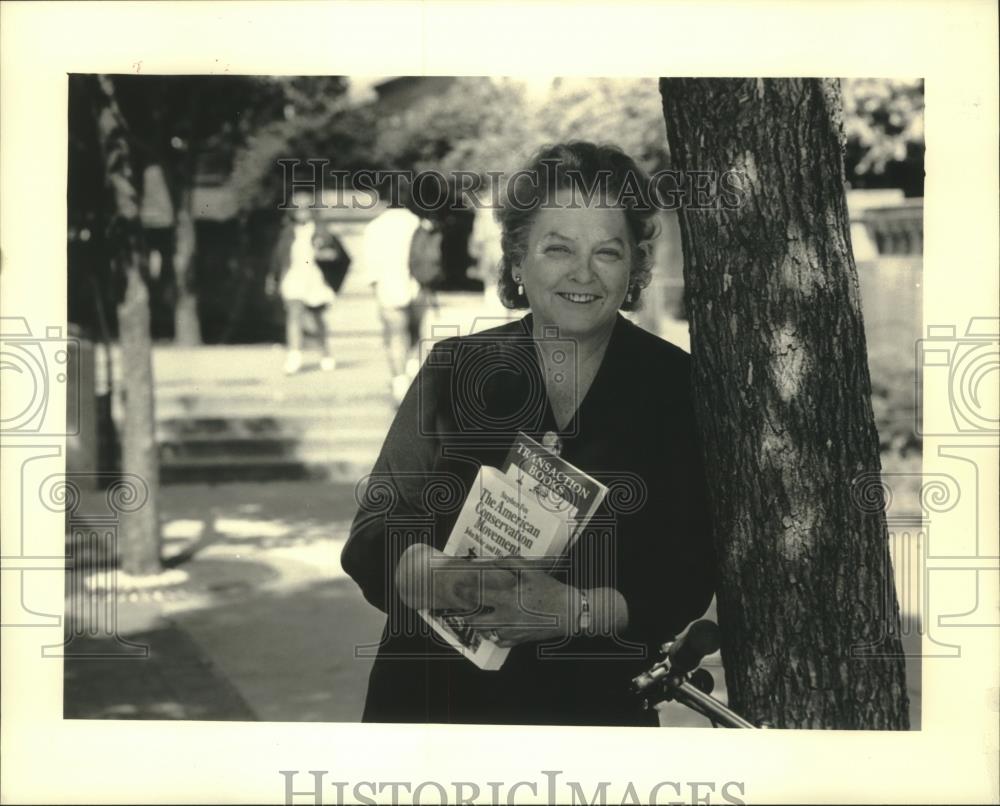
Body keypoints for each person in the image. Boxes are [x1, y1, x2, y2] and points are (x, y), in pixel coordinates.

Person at [341, 142, 717, 726]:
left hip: (589, 712)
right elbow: (373, 535)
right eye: (557, 248)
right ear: (517, 260)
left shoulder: (678, 387)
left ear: (636, 268)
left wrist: (570, 611)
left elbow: (687, 573)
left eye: (608, 253)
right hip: (431, 706)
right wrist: (451, 579)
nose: (582, 274)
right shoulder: (455, 369)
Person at [360, 186, 426, 403]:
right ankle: (413, 371)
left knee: (396, 336)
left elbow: (370, 266)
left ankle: (399, 383)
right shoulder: (418, 222)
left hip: (388, 288)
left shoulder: (374, 227)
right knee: (416, 334)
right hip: (417, 286)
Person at [270, 206, 338, 375]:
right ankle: (294, 357)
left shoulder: (321, 231)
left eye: (305, 208)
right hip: (294, 276)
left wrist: (322, 253)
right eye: (298, 209)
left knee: (316, 319)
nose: (302, 212)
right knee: (294, 316)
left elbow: (335, 254)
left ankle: (325, 353)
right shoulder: (288, 233)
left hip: (315, 277)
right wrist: (274, 276)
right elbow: (278, 257)